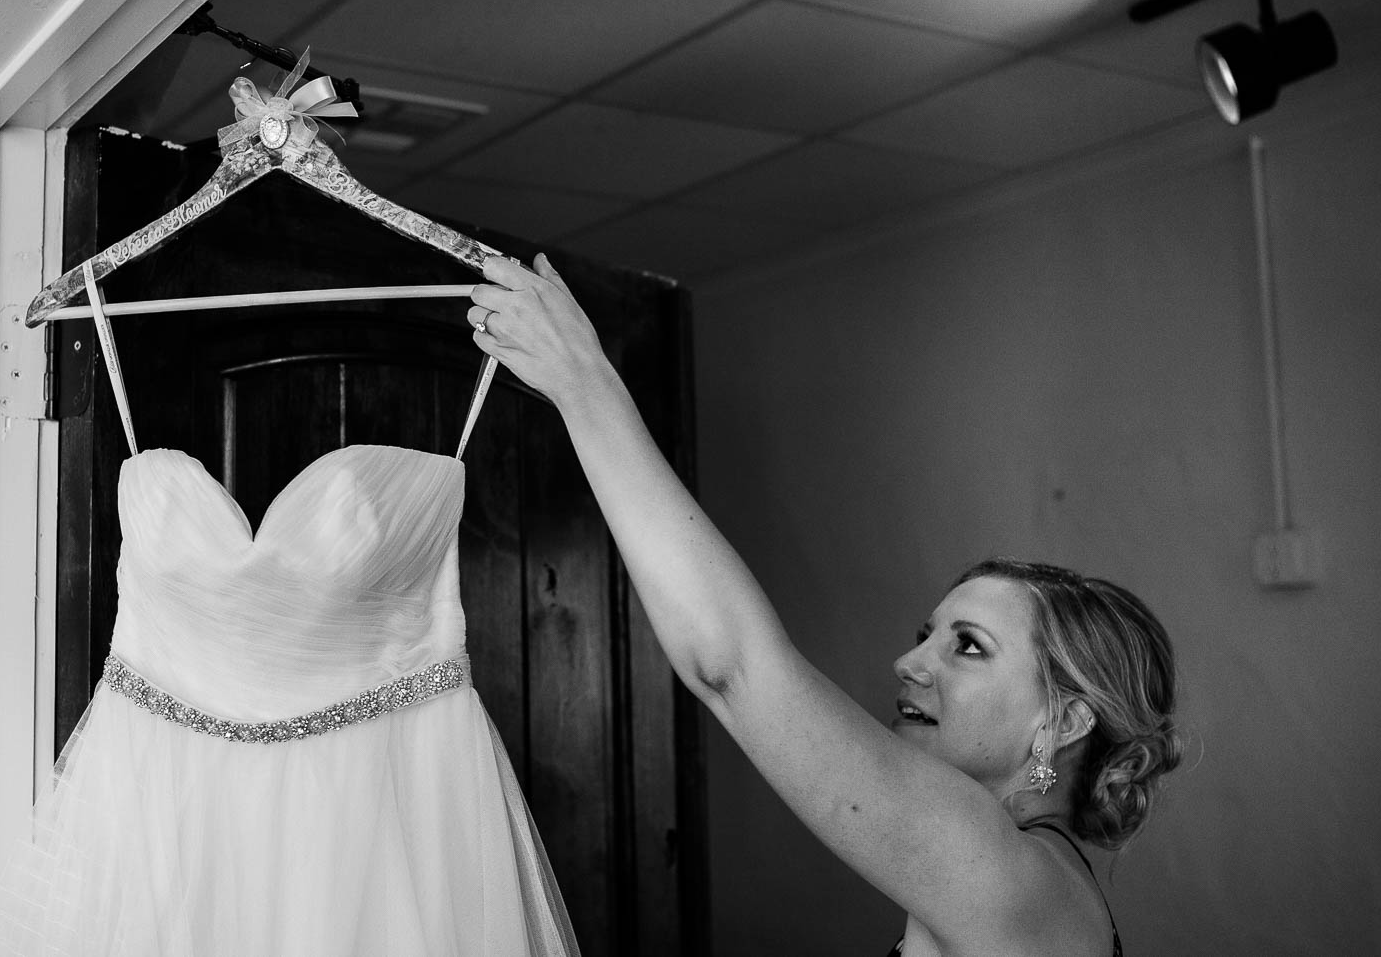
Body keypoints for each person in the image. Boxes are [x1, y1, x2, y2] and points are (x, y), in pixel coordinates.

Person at [468, 255, 1182, 957]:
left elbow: (734, 668)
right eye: (925, 635)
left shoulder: (1011, 879)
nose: (908, 662)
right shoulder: (1020, 874)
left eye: (967, 646)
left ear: (1063, 719)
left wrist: (584, 383)